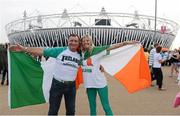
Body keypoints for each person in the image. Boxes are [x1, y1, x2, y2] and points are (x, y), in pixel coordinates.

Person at [10, 34, 81, 115]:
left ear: (79, 43)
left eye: (75, 41)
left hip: (71, 87)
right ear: (68, 41)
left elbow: (94, 52)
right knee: (53, 111)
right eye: (71, 40)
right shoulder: (60, 50)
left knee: (71, 111)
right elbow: (42, 51)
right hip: (57, 85)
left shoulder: (80, 55)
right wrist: (24, 48)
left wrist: (99, 65)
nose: (73, 42)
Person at [80, 35, 139, 115]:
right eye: (83, 41)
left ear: (91, 42)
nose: (85, 42)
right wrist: (100, 65)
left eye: (87, 40)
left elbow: (112, 47)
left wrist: (126, 43)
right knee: (92, 107)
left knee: (106, 106)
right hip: (89, 85)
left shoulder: (97, 50)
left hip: (100, 84)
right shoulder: (81, 54)